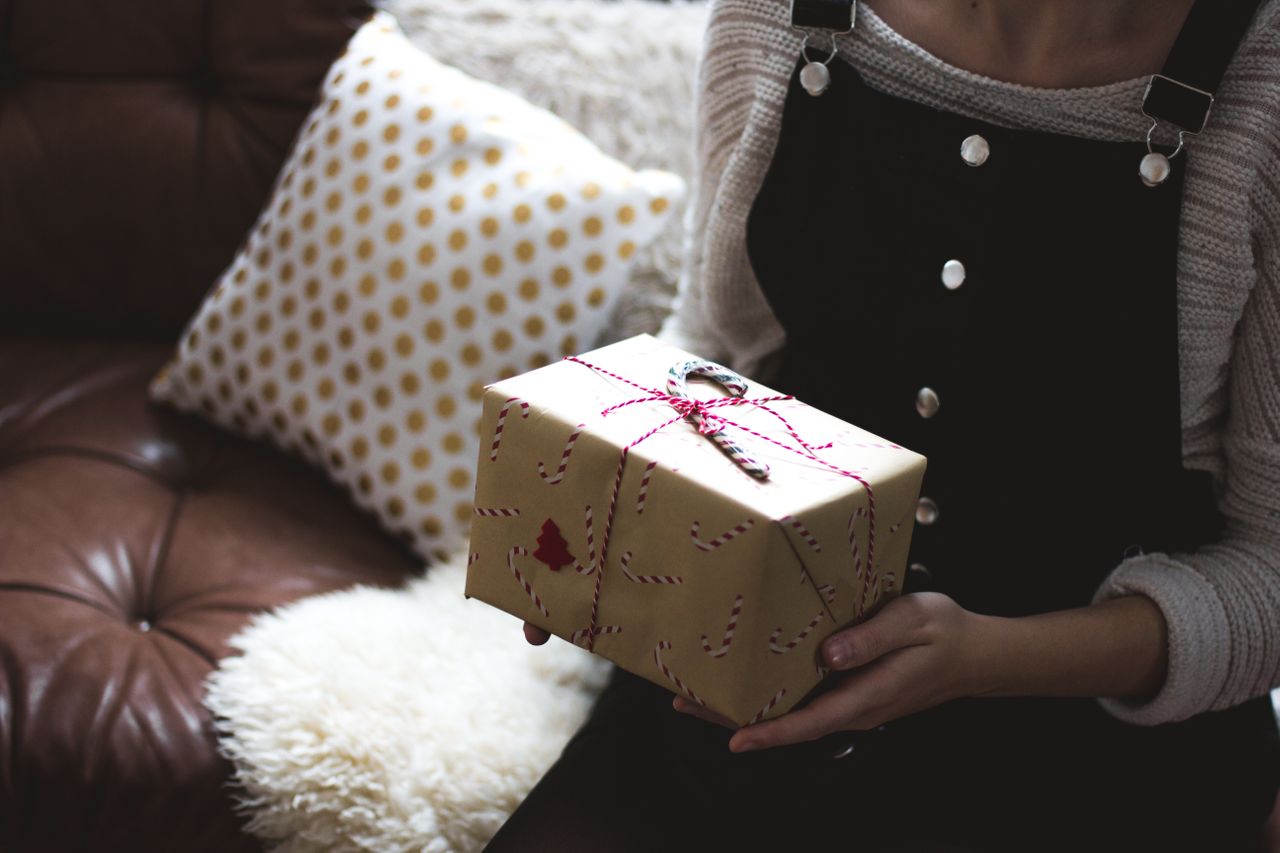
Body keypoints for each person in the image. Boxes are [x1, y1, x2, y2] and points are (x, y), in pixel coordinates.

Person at [487, 1, 1280, 850]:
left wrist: (986, 657)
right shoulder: (773, 15)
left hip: (1098, 763)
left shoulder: (1262, 84)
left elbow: (1269, 566)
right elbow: (717, 350)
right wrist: (616, 519)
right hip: (745, 682)